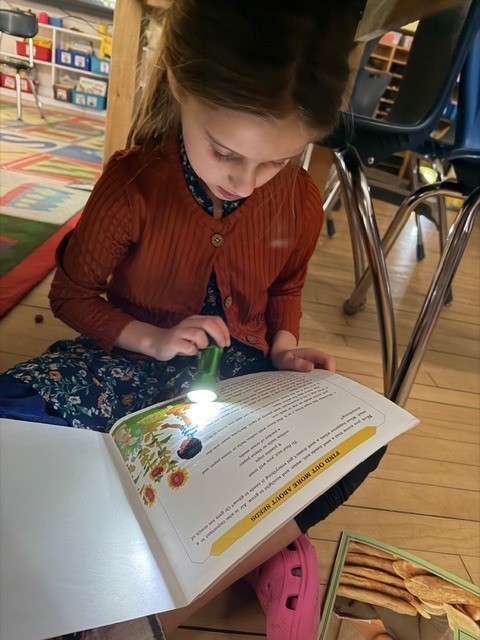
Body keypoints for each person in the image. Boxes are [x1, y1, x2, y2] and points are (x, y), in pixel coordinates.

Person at [0, 1, 387, 638]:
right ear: (179, 83)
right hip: (121, 362)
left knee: (354, 445)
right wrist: (151, 337)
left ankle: (150, 616)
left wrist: (285, 349)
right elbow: (70, 296)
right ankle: (265, 548)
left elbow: (285, 285)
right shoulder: (134, 184)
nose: (248, 181)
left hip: (243, 381)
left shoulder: (297, 199)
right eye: (225, 151)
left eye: (278, 162)